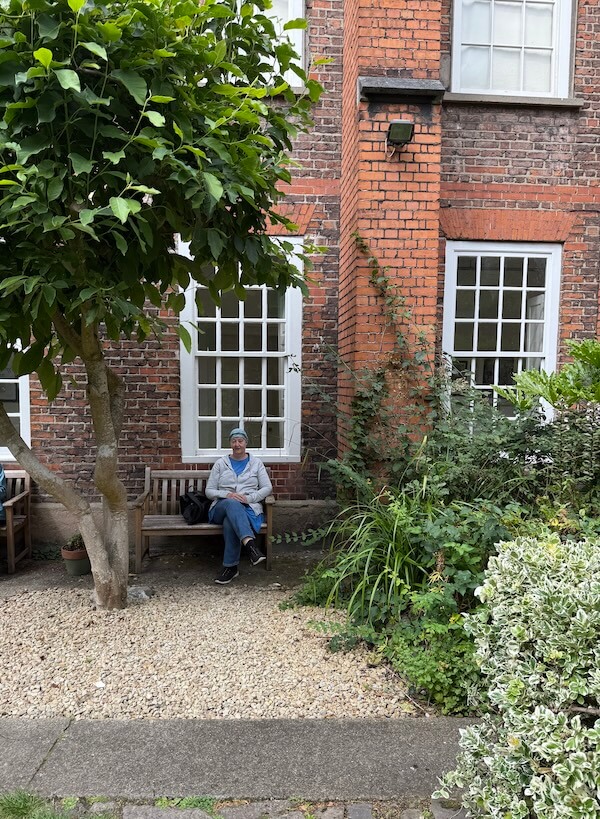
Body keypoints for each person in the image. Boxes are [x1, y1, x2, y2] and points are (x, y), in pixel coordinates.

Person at [205, 428, 272, 584]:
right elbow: (209, 491)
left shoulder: (256, 464)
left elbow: (267, 488)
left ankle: (230, 568)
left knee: (230, 522)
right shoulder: (221, 464)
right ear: (230, 443)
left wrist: (249, 498)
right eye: (234, 441)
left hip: (246, 509)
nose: (237, 444)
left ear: (246, 443)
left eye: (240, 441)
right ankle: (250, 545)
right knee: (231, 503)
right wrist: (226, 495)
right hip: (221, 507)